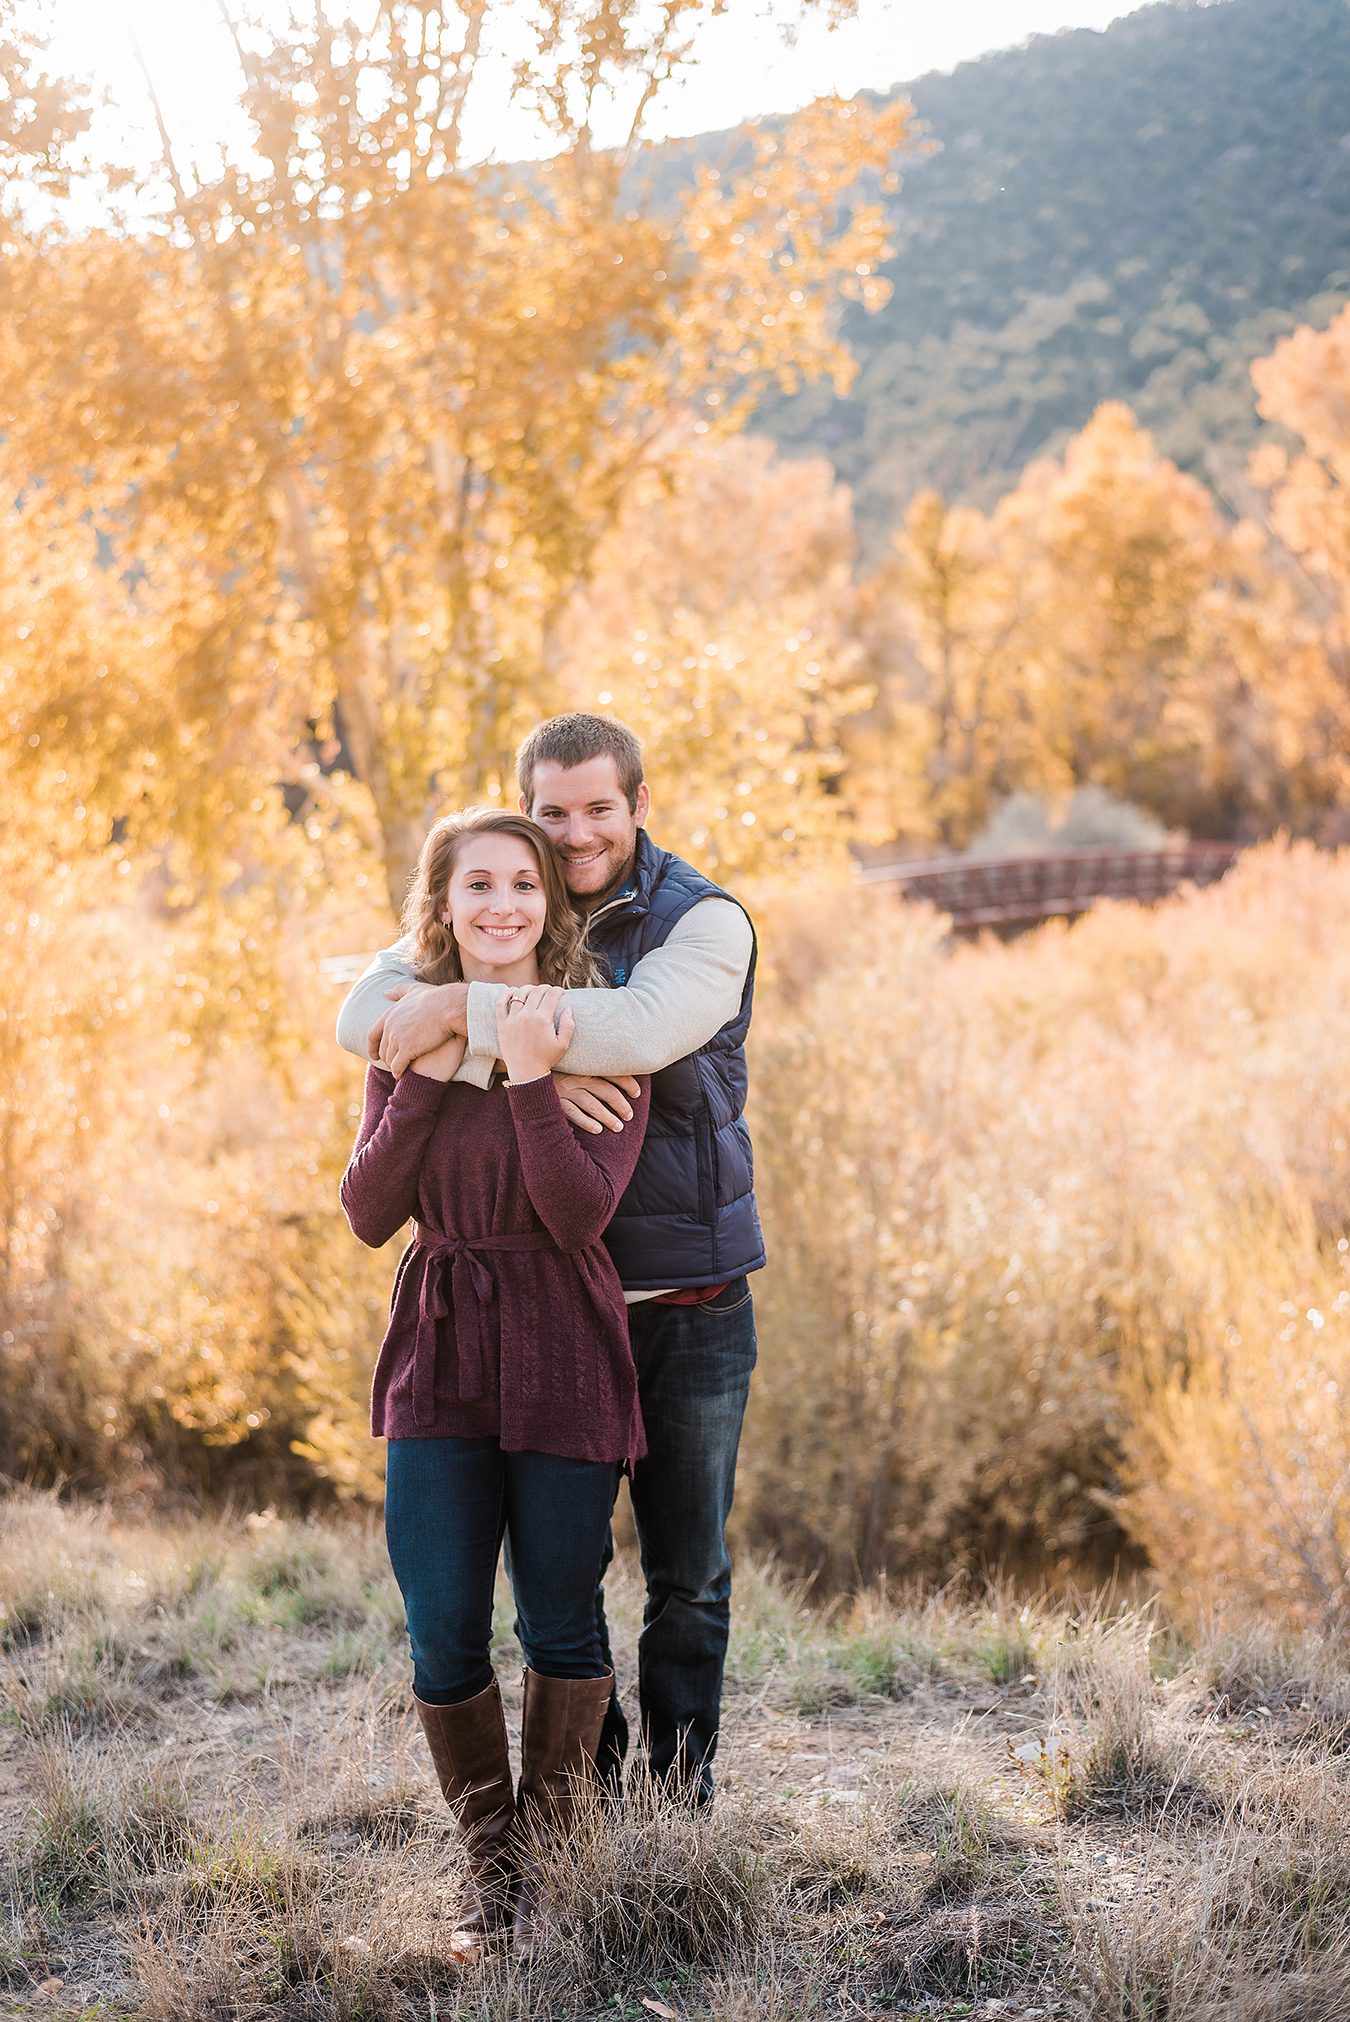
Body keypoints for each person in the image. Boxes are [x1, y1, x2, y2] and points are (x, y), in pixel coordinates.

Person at [337, 713, 763, 1806]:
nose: (573, 839)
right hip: (534, 1305)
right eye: (552, 814)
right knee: (550, 1594)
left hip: (681, 1292)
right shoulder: (507, 889)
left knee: (686, 1573)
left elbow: (630, 1038)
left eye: (598, 811)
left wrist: (459, 1020)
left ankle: (673, 1802)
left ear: (639, 805)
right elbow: (360, 1015)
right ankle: (573, 1816)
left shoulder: (702, 923)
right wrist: (501, 1053)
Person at [339, 806, 650, 1957]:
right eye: (479, 886)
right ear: (445, 905)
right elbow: (371, 1212)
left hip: (565, 1342)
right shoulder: (404, 1026)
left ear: (549, 902)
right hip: (443, 1351)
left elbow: (577, 1215)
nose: (505, 905)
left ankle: (552, 1875)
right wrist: (421, 1076)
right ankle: (491, 1876)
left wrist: (527, 1077)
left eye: (525, 883)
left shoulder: (599, 1032)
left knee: (563, 1620)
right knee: (441, 1632)